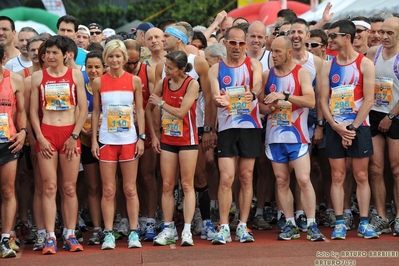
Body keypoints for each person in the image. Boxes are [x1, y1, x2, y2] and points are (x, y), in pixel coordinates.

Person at [259, 36, 324, 241]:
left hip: (297, 136)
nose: (273, 55)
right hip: (275, 136)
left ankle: (311, 224)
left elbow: (311, 101)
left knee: (304, 179)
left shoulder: (301, 73)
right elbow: (260, 106)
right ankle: (289, 223)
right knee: (281, 180)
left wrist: (284, 96)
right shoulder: (266, 75)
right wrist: (267, 107)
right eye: (271, 51)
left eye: (277, 52)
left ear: (288, 52)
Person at [319, 19, 378, 240]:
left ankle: (363, 222)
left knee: (361, 175)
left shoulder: (364, 64)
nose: (330, 39)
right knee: (337, 175)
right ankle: (340, 222)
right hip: (336, 126)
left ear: (347, 37)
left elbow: (370, 100)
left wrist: (351, 129)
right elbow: (323, 100)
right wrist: (335, 125)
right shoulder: (328, 64)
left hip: (358, 126)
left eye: (333, 35)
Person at [30, 35, 88, 254]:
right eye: (47, 52)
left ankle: (70, 234)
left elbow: (82, 109)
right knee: (49, 187)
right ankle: (50, 236)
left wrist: (74, 136)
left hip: (69, 133)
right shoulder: (38, 77)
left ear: (66, 54)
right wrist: (40, 137)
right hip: (47, 133)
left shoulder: (75, 75)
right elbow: (33, 113)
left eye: (55, 52)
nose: (50, 56)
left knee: (69, 187)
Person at [209, 26, 263, 244]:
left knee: (247, 177)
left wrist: (254, 93)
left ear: (246, 45)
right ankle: (223, 226)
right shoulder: (216, 68)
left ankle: (242, 224)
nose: (237, 47)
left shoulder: (253, 64)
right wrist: (218, 100)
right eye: (233, 43)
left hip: (250, 126)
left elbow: (258, 83)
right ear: (225, 43)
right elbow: (214, 95)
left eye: (241, 43)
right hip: (227, 128)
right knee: (226, 178)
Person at [91, 39, 145, 250]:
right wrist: (94, 140)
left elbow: (139, 110)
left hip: (129, 140)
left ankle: (133, 232)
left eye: (118, 56)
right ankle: (109, 234)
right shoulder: (98, 82)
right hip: (107, 140)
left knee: (130, 188)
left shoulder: (134, 81)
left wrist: (141, 137)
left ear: (124, 58)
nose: (114, 60)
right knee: (109, 190)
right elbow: (96, 111)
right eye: (111, 56)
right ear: (106, 58)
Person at [148, 50, 199, 246]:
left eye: (169, 68)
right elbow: (148, 109)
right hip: (168, 139)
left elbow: (181, 112)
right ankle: (168, 227)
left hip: (188, 140)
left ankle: (186, 229)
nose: (166, 70)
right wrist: (154, 135)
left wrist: (161, 103)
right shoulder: (163, 83)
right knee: (167, 185)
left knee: (187, 184)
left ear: (181, 69)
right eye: (165, 67)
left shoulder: (192, 84)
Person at [366, 17, 399, 235]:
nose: (384, 37)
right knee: (376, 168)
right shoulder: (373, 53)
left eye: (390, 33)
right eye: (382, 32)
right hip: (375, 114)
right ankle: (382, 216)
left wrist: (391, 115)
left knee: (396, 169)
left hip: (395, 115)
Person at [123, 39, 157, 241]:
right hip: (122, 131)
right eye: (128, 62)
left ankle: (150, 218)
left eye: (134, 62)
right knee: (126, 180)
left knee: (147, 176)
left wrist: (153, 133)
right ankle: (130, 219)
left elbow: (153, 105)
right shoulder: (114, 74)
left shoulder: (147, 71)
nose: (131, 66)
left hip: (144, 130)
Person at [0, 44, 27, 259]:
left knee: (8, 190)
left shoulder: (15, 79)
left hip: (8, 141)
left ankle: (5, 238)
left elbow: (22, 112)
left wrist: (23, 131)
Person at [80, 51, 106, 245]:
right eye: (90, 67)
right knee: (94, 186)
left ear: (103, 68)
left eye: (97, 67)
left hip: (108, 140)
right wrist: (83, 130)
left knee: (111, 185)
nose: (93, 70)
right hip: (86, 140)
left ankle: (112, 225)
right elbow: (74, 111)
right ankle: (97, 228)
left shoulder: (109, 87)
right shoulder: (81, 87)